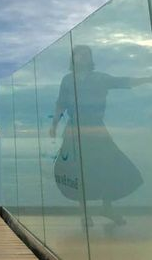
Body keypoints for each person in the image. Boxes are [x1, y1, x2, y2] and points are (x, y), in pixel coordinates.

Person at [50, 45, 150, 225]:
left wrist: (147, 79)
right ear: (73, 58)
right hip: (74, 130)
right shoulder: (67, 80)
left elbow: (123, 82)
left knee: (108, 165)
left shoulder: (100, 78)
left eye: (86, 55)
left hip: (96, 129)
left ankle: (107, 207)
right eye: (79, 55)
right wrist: (54, 125)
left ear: (90, 58)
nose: (83, 57)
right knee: (76, 169)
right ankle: (84, 214)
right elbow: (61, 104)